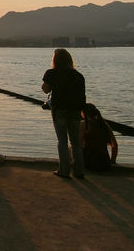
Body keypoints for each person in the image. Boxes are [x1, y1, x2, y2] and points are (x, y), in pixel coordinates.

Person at [42, 48, 86, 179]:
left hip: (60, 110)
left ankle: (64, 170)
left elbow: (45, 89)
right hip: (75, 111)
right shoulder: (78, 75)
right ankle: (79, 171)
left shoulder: (52, 73)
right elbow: (82, 96)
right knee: (76, 142)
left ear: (55, 60)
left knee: (62, 141)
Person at [81, 103, 118, 171]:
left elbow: (78, 145)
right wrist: (112, 161)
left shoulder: (83, 124)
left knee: (70, 148)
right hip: (105, 162)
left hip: (90, 162)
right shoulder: (105, 125)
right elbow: (114, 145)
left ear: (83, 113)